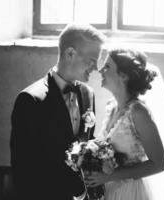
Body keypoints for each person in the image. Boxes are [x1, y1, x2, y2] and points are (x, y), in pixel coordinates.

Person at [10, 23, 106, 200]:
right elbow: (22, 169)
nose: (95, 68)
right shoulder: (30, 100)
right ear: (70, 53)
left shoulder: (88, 94)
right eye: (92, 61)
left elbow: (86, 146)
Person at [85, 48, 164, 200]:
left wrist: (110, 176)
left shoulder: (139, 112)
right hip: (108, 191)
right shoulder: (111, 106)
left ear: (123, 76)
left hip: (129, 193)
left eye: (107, 67)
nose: (100, 70)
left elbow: (158, 164)